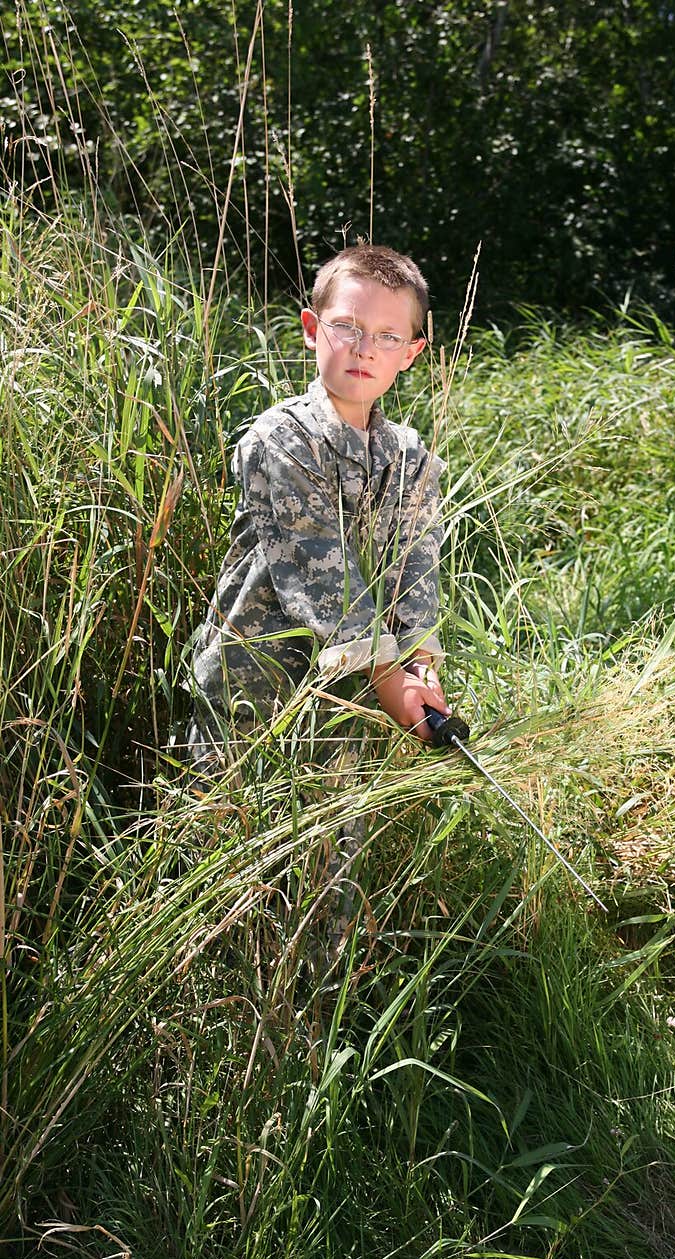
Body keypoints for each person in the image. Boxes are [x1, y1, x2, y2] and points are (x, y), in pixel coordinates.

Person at [187, 242, 451, 968]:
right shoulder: (282, 437)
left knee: (331, 862)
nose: (364, 348)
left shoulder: (413, 461)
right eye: (346, 327)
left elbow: (415, 579)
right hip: (255, 691)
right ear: (311, 328)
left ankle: (318, 1002)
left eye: (388, 336)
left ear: (412, 353)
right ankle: (206, 1008)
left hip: (345, 707)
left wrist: (423, 670)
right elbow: (322, 579)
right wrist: (395, 682)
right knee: (225, 850)